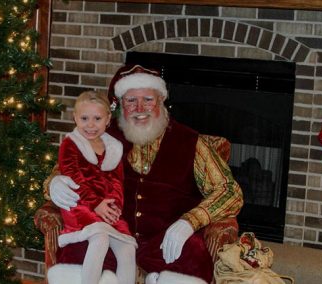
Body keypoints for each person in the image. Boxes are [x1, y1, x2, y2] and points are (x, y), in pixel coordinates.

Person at [47, 65, 244, 284]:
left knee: (193, 258)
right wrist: (53, 184)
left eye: (148, 99)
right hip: (112, 234)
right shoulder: (99, 138)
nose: (140, 108)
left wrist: (189, 222)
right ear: (120, 104)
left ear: (161, 101)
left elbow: (229, 191)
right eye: (131, 100)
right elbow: (64, 171)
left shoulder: (191, 142)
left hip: (167, 240)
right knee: (76, 256)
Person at [53, 91, 137, 284]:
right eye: (84, 118)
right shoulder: (70, 144)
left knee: (127, 247)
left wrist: (114, 208)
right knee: (100, 237)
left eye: (97, 118)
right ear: (75, 117)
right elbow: (75, 178)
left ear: (107, 119)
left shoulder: (114, 147)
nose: (90, 125)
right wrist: (96, 203)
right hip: (79, 204)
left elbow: (117, 182)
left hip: (105, 207)